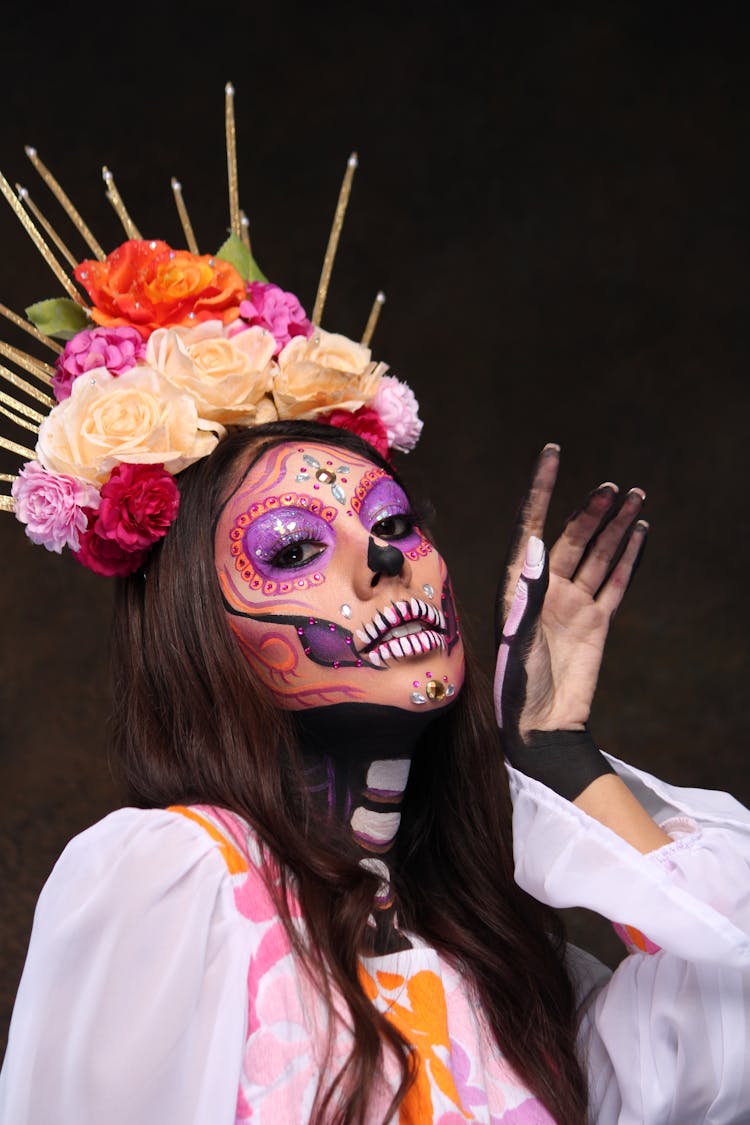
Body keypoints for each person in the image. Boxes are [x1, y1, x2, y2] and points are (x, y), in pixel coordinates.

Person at [0, 93, 749, 1123]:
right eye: (297, 547)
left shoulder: (502, 956)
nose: (383, 562)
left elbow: (730, 1004)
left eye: (394, 524)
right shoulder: (176, 877)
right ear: (204, 634)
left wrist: (558, 751)